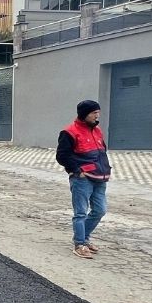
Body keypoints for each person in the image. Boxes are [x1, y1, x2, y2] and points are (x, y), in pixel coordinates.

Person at [56, 99, 112, 260]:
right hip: (82, 178)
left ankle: (85, 239)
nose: (97, 116)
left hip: (100, 177)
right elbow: (62, 156)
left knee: (100, 210)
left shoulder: (97, 130)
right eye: (94, 113)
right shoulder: (69, 132)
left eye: (98, 112)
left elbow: (102, 151)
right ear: (84, 114)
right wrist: (76, 170)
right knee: (80, 212)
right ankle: (79, 244)